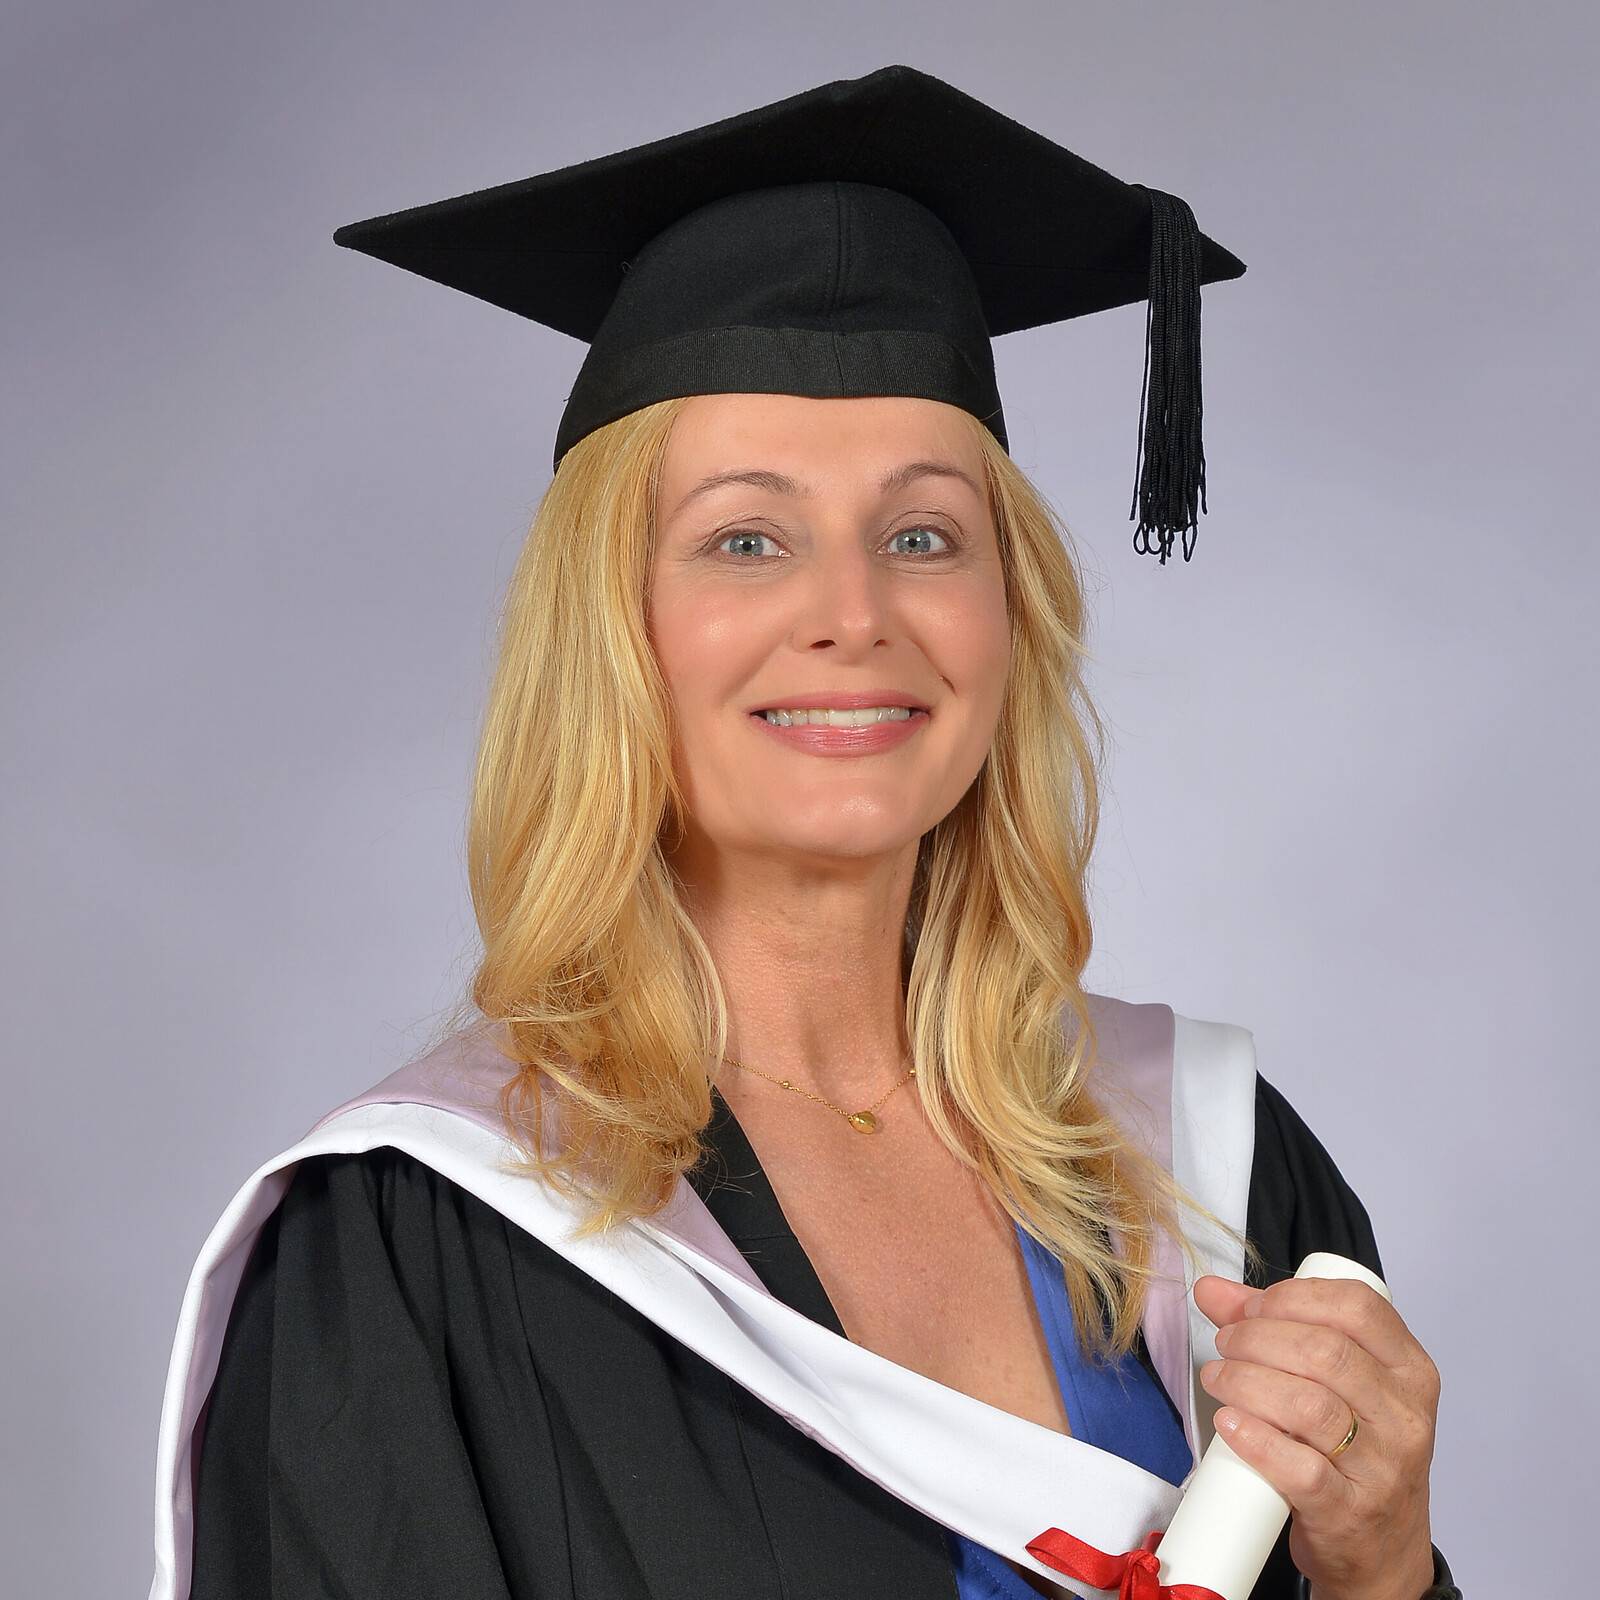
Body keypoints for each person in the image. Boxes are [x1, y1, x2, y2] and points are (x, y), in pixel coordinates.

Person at [148, 65, 1460, 1600]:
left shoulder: (1215, 1173)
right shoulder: (416, 1249)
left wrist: (1384, 1571)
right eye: (745, 540)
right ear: (613, 632)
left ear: (1010, 618)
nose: (854, 613)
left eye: (924, 536)